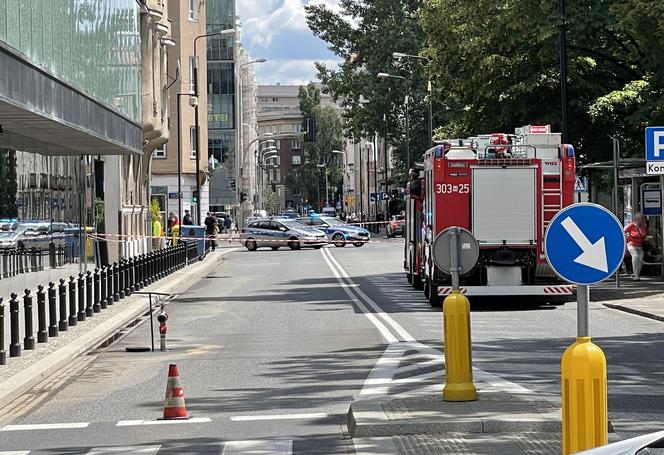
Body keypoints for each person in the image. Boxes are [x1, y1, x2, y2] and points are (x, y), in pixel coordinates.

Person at [624, 212, 648, 280]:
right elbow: (623, 230)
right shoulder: (631, 225)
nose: (641, 221)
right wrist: (626, 236)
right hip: (631, 244)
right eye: (639, 219)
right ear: (636, 219)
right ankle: (635, 275)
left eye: (642, 219)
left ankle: (636, 273)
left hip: (639, 245)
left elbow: (644, 234)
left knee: (640, 259)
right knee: (635, 257)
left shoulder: (644, 225)